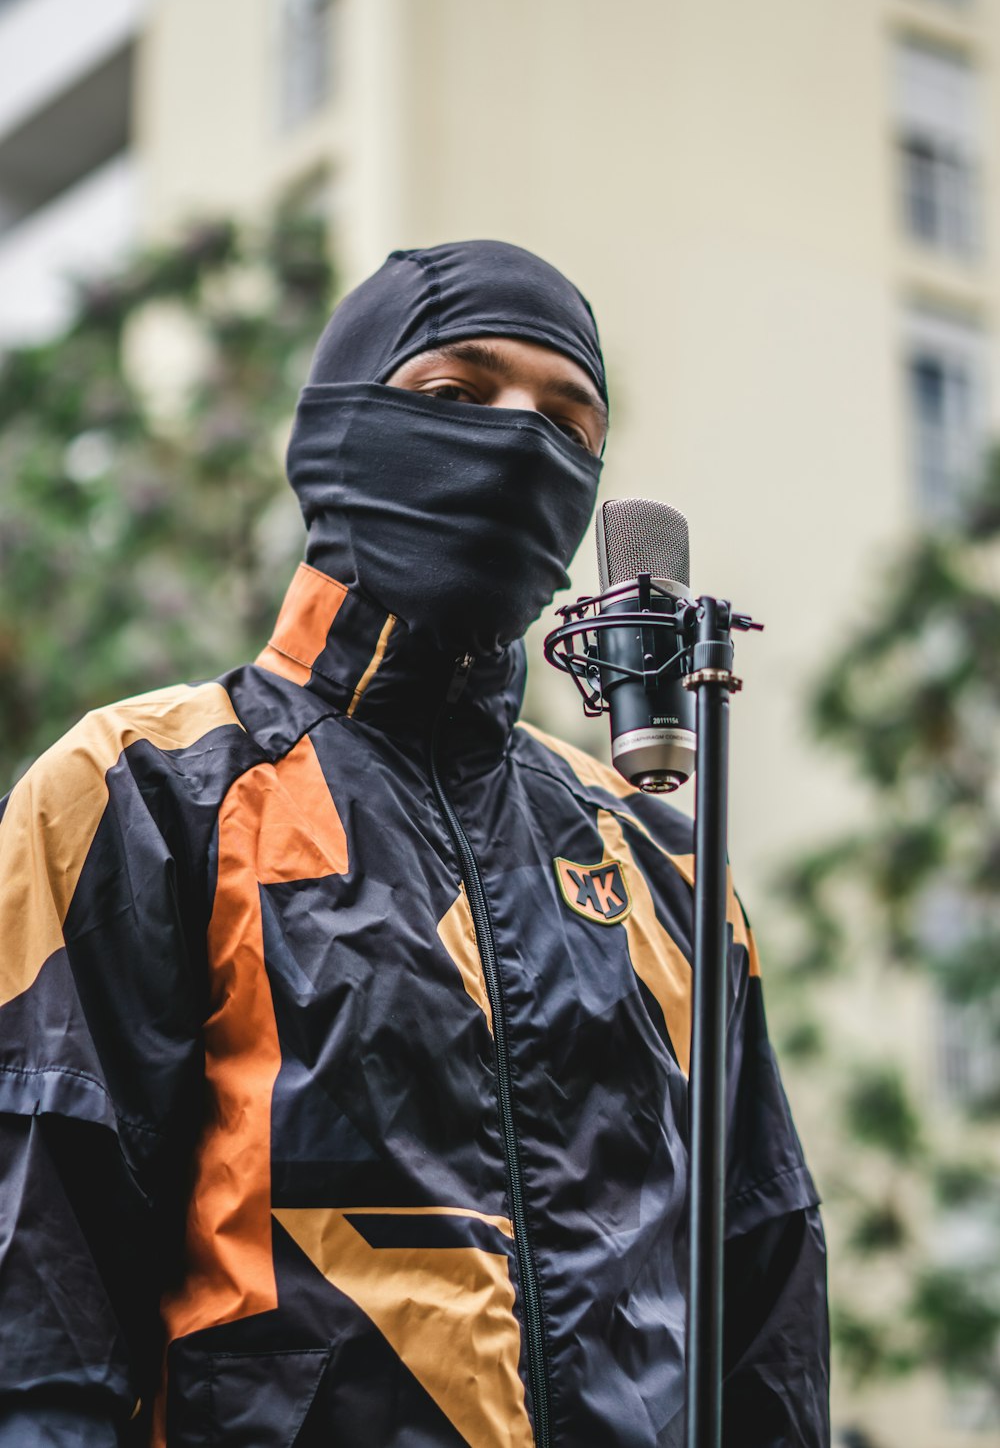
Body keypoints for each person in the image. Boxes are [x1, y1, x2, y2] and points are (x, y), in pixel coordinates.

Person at [0, 241, 829, 1447]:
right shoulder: (141, 789)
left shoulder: (662, 866)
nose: (520, 439)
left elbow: (766, 1310)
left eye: (568, 420)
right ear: (340, 431)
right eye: (456, 394)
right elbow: (39, 1303)